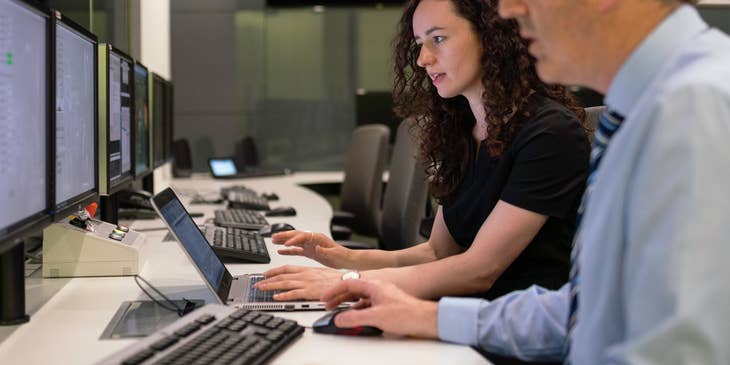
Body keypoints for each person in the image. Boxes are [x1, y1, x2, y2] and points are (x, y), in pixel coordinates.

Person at [321, 0, 730, 363]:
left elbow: (674, 349)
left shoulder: (693, 106)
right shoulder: (644, 108)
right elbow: (586, 313)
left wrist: (355, 281)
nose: (509, 10)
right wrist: (429, 316)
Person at [255, 0, 590, 303]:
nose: (423, 58)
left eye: (438, 39)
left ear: (492, 36)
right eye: (419, 45)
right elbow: (437, 253)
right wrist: (343, 257)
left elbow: (479, 269)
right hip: (453, 315)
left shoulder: (549, 133)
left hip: (507, 333)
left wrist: (347, 281)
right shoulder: (460, 131)